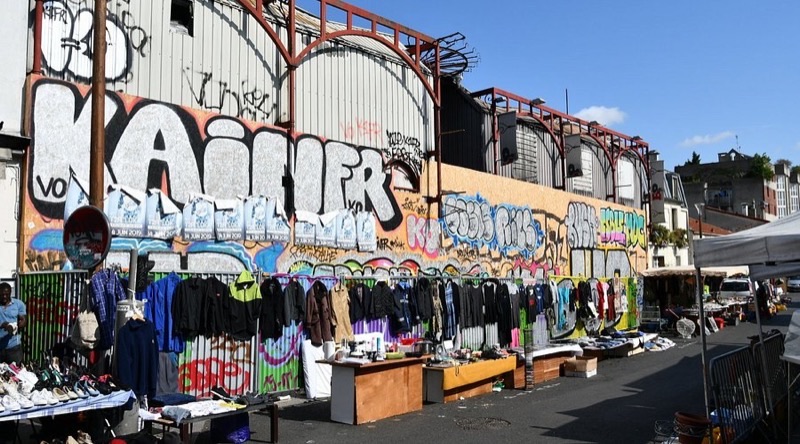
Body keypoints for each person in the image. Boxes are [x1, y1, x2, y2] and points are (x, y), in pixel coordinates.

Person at [0, 282, 27, 364]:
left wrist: (14, 326)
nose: (4, 297)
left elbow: (23, 321)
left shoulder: (19, 304)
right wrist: (4, 325)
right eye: (2, 294)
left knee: (17, 374)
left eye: (7, 294)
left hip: (14, 347)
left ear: (10, 293)